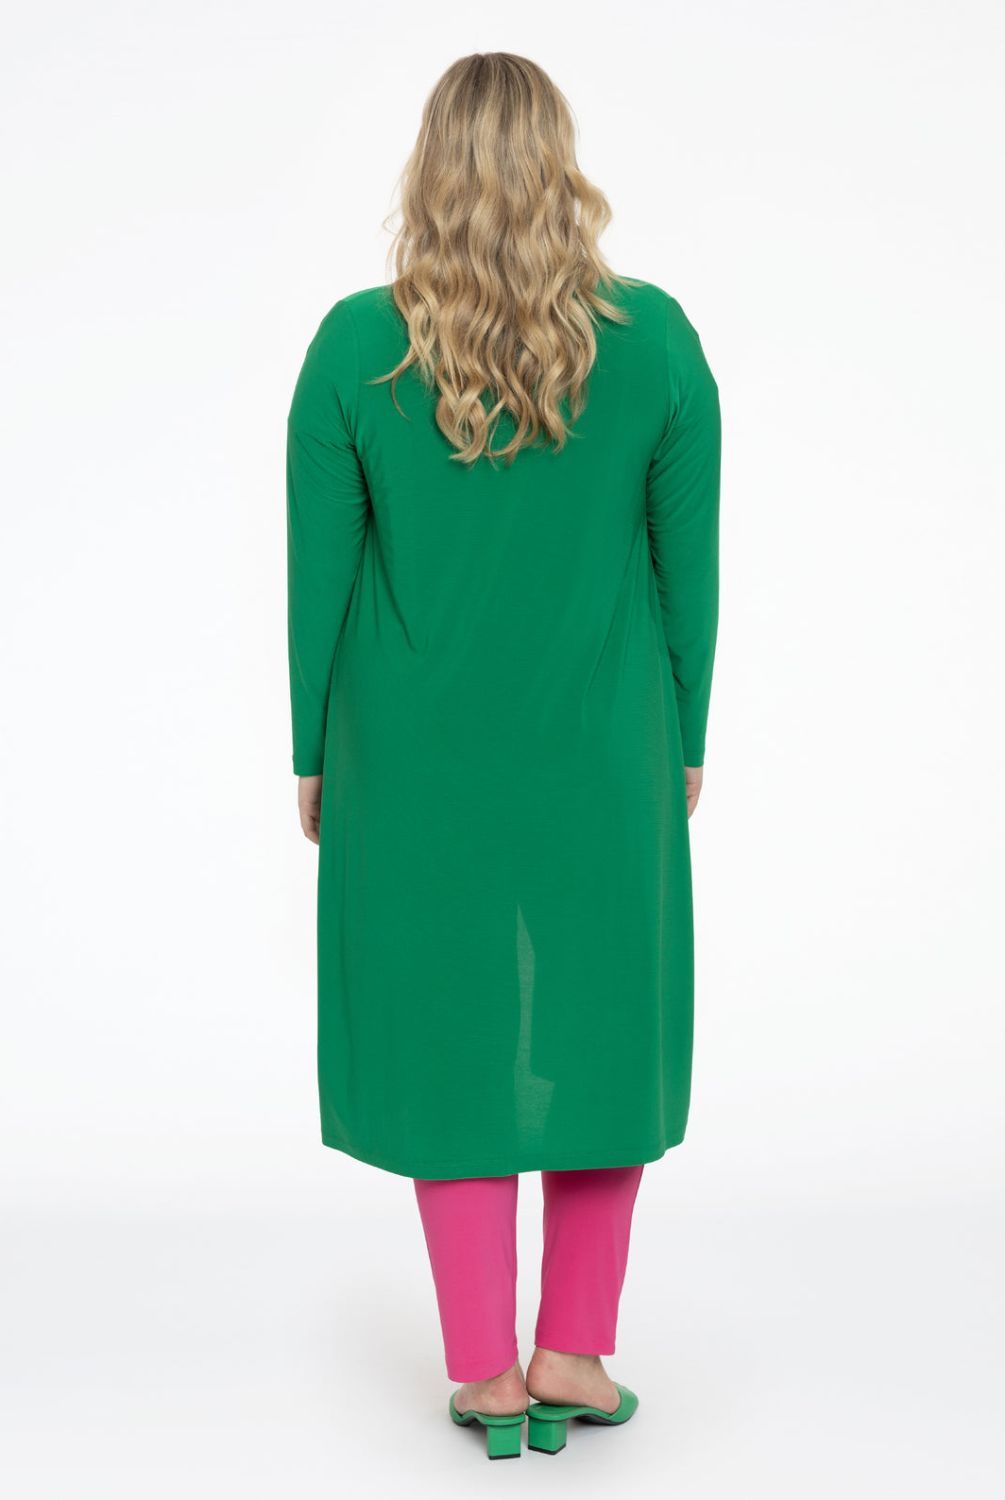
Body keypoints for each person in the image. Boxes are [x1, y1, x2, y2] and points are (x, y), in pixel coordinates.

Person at [286, 52, 720, 1460]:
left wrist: (312, 749)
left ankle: (485, 1370)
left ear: (429, 169)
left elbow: (319, 575)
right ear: (563, 165)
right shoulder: (653, 343)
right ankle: (573, 1354)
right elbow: (687, 570)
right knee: (604, 1016)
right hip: (604, 737)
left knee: (447, 1023)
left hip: (410, 750)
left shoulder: (354, 350)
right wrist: (685, 737)